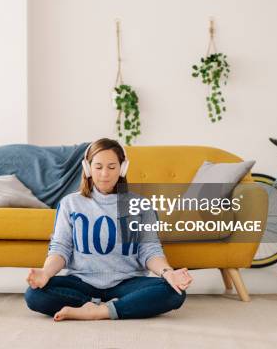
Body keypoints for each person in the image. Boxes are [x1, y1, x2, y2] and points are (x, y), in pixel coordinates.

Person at [24, 138, 193, 321]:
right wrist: (45, 273)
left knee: (174, 292)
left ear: (123, 168)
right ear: (88, 169)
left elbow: (149, 250)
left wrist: (168, 273)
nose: (105, 174)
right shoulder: (70, 204)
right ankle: (116, 305)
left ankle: (97, 311)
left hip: (127, 282)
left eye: (112, 167)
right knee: (34, 295)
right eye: (98, 167)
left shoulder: (141, 205)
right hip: (81, 282)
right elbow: (61, 248)